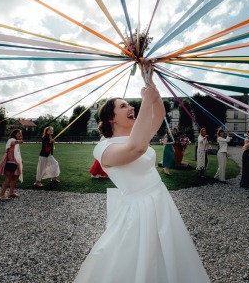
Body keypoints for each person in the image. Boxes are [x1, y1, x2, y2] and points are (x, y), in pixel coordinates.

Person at [73, 72, 210, 282]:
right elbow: (136, 148)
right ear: (111, 118)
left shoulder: (136, 135)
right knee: (137, 260)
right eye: (123, 106)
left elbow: (159, 112)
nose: (131, 108)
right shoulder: (103, 148)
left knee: (168, 256)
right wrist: (145, 101)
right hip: (138, 210)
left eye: (130, 104)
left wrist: (149, 79)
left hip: (160, 201)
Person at [0, 129, 23, 201]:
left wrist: (21, 159)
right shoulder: (11, 140)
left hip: (16, 162)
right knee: (8, 179)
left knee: (15, 177)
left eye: (21, 133)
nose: (20, 134)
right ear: (14, 134)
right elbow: (12, 143)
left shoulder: (16, 142)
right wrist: (18, 141)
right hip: (10, 162)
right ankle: (1, 195)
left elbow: (16, 152)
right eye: (19, 133)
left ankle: (11, 192)